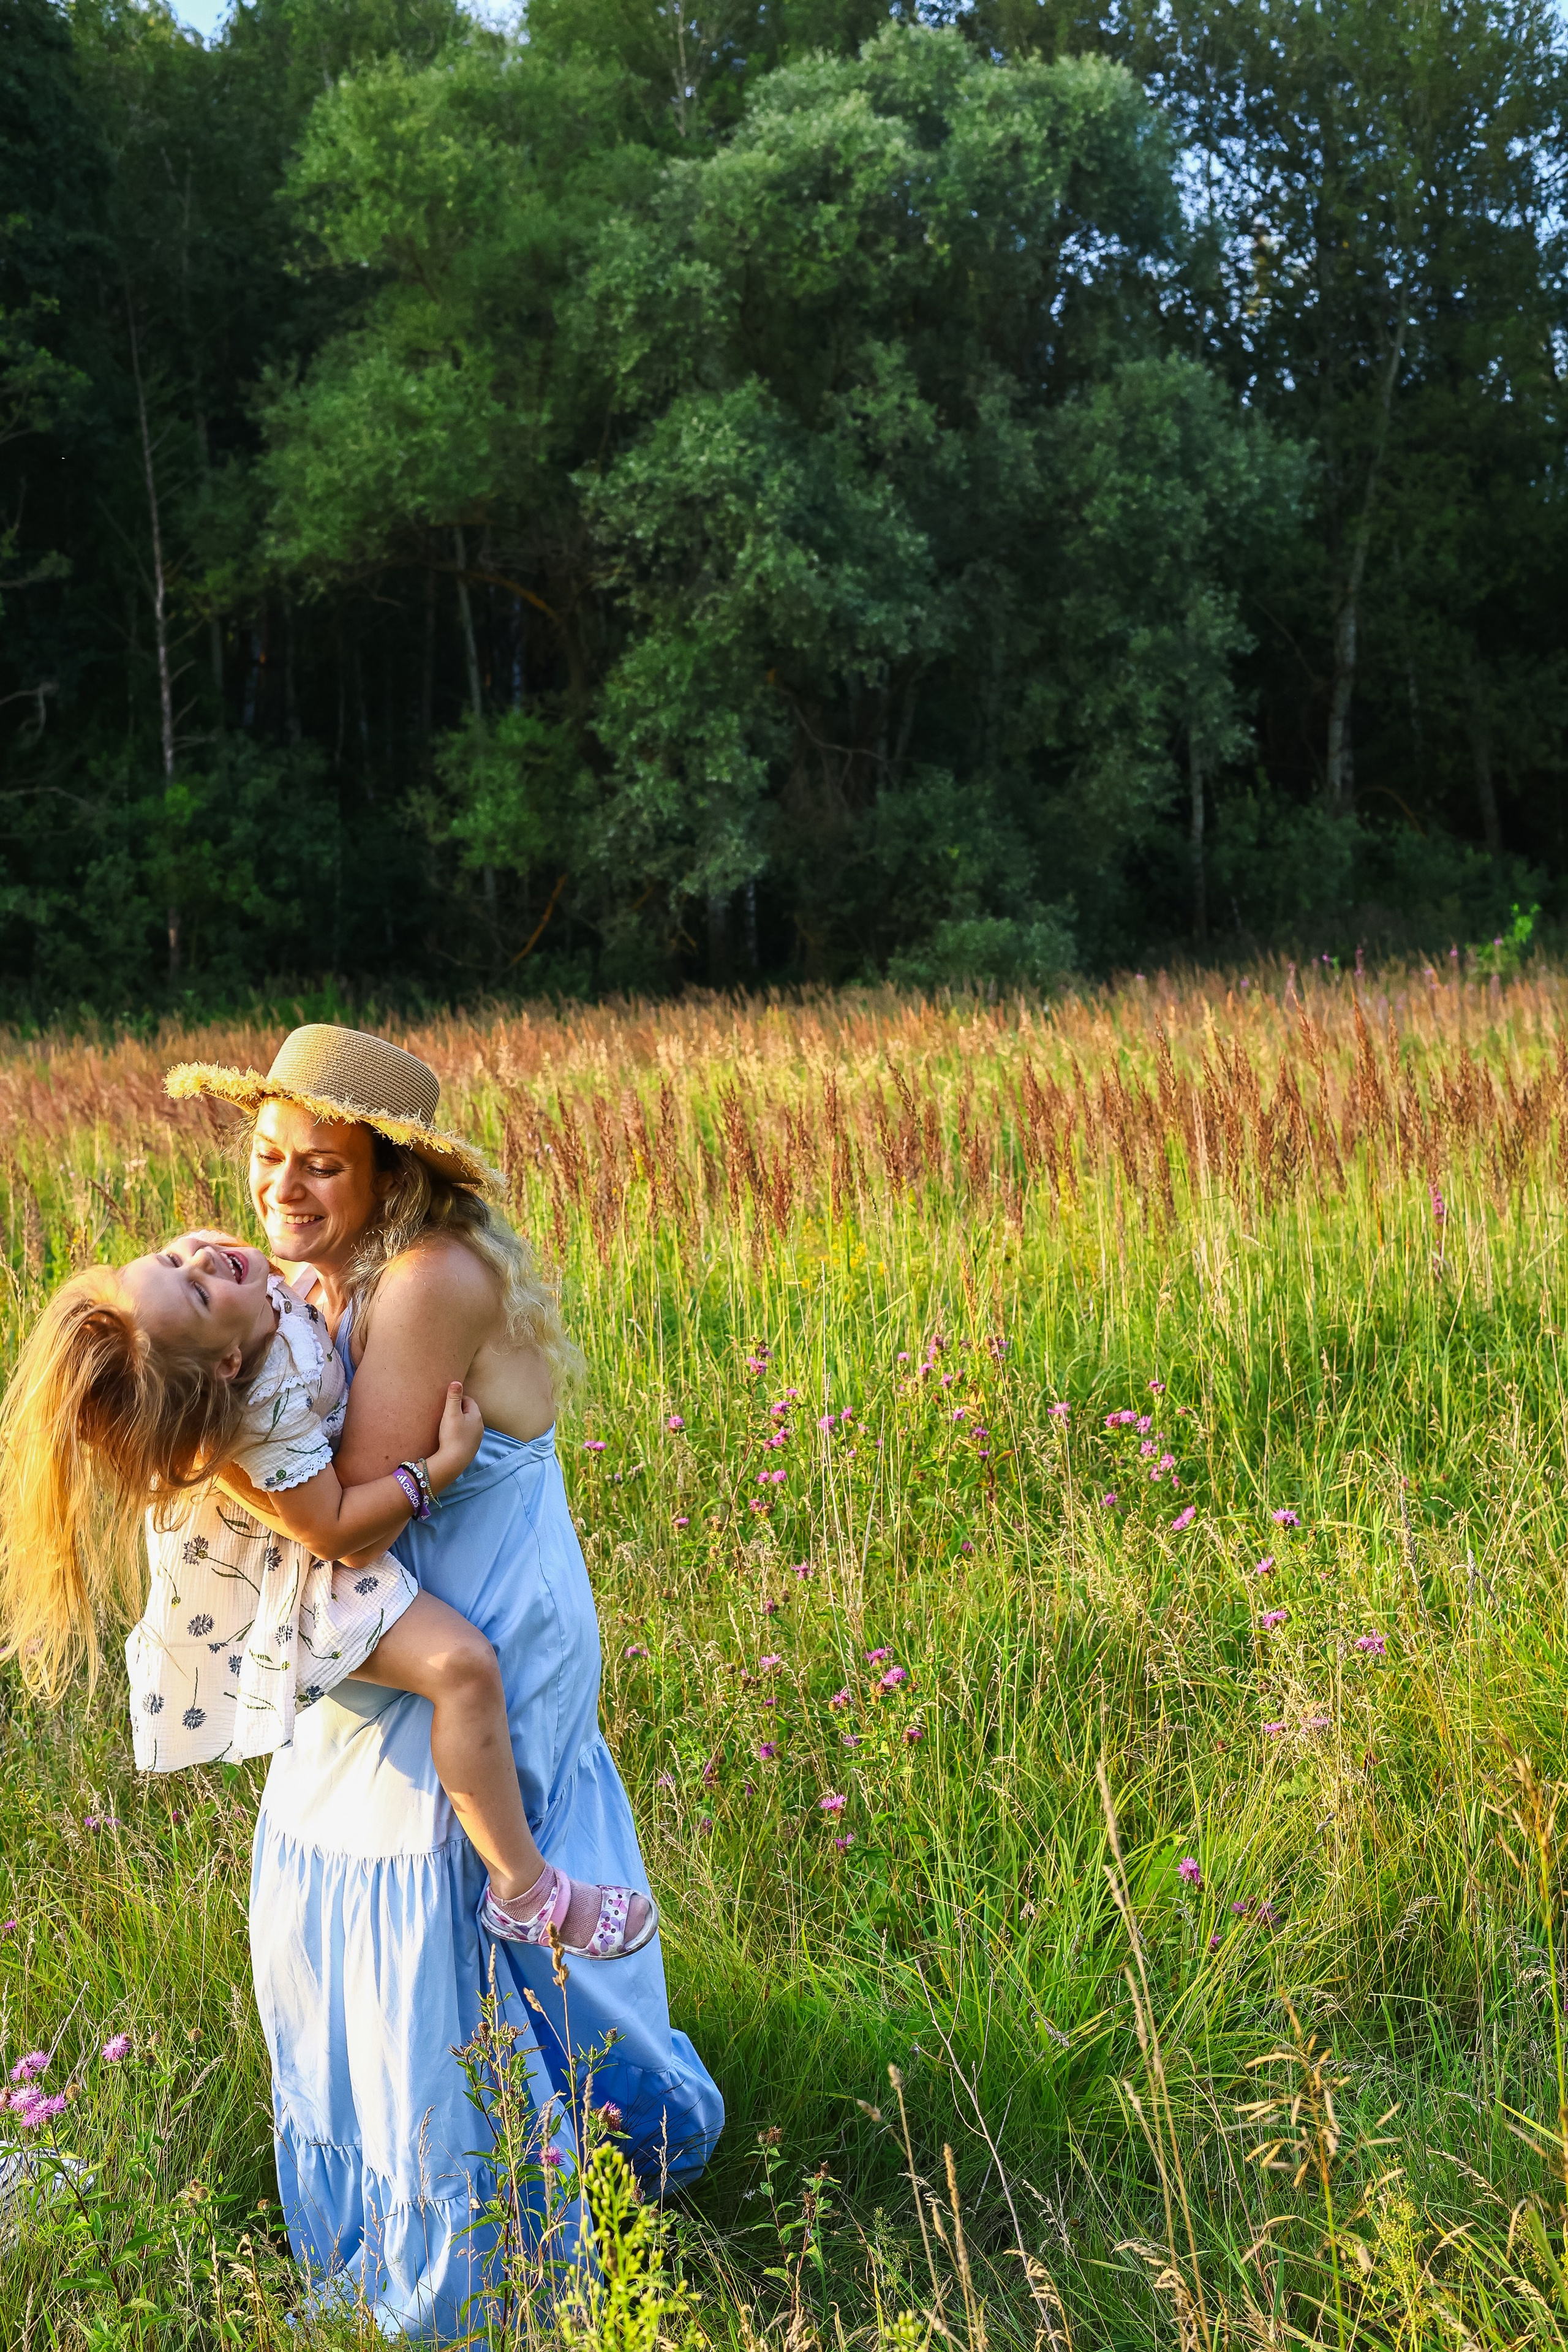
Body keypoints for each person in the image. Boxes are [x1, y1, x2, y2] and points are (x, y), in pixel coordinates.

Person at [154, 1023, 720, 2334]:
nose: (283, 1188)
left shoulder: (422, 1280)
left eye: (322, 1166)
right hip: (390, 1629)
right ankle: (418, 2198)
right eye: (268, 1155)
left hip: (474, 1621)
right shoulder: (316, 1278)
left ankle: (487, 2244)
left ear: (392, 1176)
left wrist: (210, 1452)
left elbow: (341, 1519)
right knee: (363, 1888)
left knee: (438, 1909)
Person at [0, 1229, 657, 1962]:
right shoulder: (269, 1408)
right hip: (296, 1582)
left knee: (465, 1669)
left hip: (305, 1542)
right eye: (196, 1290)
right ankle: (524, 1891)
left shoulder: (255, 1302)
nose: (203, 1259)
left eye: (173, 1257)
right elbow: (339, 1533)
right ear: (226, 1364)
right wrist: (438, 1468)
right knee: (462, 1668)